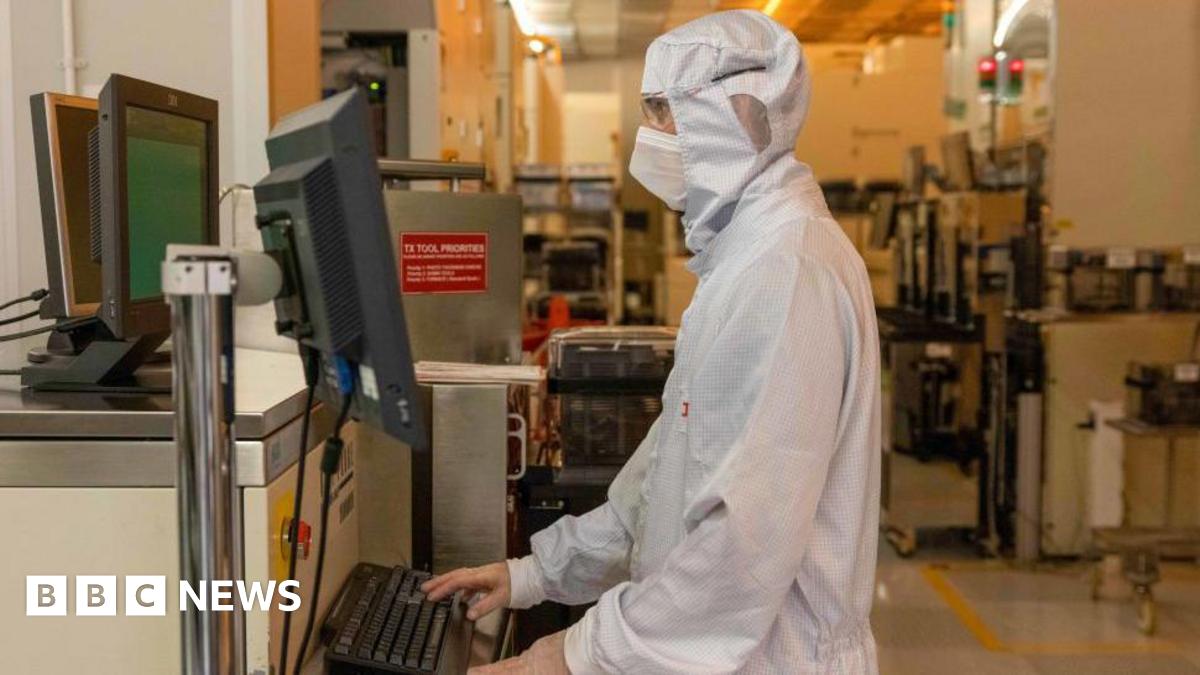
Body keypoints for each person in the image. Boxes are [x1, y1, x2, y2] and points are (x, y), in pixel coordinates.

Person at [423, 9, 881, 674]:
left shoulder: (785, 275)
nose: (650, 135)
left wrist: (566, 654)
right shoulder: (743, 262)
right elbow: (662, 484)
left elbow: (739, 545)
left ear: (736, 115)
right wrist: (532, 575)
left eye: (663, 110)